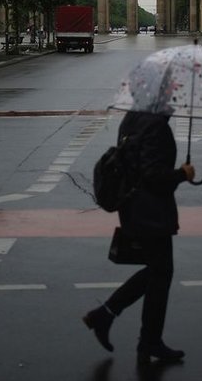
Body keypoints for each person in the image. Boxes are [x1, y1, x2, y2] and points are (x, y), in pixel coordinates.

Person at [82, 109, 195, 365]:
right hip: (150, 212)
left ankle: (109, 316)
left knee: (157, 271)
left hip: (133, 208)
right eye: (169, 91)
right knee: (161, 271)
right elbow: (152, 176)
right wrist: (182, 174)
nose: (173, 99)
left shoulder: (132, 119)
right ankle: (146, 339)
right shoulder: (157, 127)